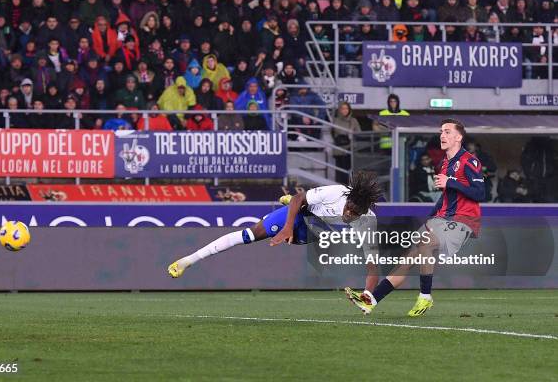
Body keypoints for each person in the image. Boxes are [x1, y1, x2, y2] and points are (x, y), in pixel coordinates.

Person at [346, 119, 485, 317]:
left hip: (463, 220)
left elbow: (480, 193)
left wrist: (451, 182)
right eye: (441, 131)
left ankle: (426, 297)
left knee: (425, 244)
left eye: (447, 131)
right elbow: (445, 197)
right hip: (442, 218)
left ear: (458, 137)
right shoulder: (445, 163)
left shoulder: (469, 161)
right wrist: (429, 220)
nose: (442, 135)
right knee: (408, 259)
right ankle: (372, 300)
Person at [168, 171, 382, 299]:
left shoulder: (367, 222)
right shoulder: (335, 193)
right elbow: (300, 198)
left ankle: (291, 208)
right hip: (300, 214)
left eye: (354, 214)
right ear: (347, 200)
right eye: (348, 208)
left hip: (314, 231)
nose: (348, 214)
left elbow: (373, 267)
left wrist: (367, 295)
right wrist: (288, 226)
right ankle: (188, 260)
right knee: (250, 234)